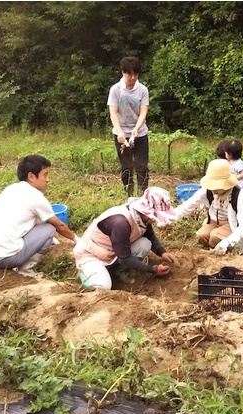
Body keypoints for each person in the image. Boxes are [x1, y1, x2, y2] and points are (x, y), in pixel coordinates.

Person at [0, 155, 77, 277]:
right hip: (5, 258)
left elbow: (30, 220)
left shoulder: (11, 189)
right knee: (50, 227)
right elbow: (60, 225)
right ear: (31, 176)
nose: (48, 179)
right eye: (45, 175)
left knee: (45, 229)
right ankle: (26, 269)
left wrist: (46, 238)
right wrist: (77, 240)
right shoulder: (36, 197)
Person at [73, 187, 177, 290]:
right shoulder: (120, 223)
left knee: (144, 244)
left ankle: (118, 272)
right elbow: (125, 258)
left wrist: (162, 252)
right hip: (92, 255)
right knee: (103, 287)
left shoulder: (141, 218)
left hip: (114, 253)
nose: (155, 220)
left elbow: (149, 235)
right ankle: (84, 276)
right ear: (147, 212)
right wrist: (152, 269)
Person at [172, 159, 243, 255]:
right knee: (201, 235)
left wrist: (226, 242)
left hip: (231, 224)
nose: (213, 189)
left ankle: (226, 251)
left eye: (217, 186)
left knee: (215, 237)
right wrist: (167, 218)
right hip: (214, 221)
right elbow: (187, 206)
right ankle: (214, 250)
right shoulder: (208, 191)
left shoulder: (239, 195)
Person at [107, 56, 150, 197]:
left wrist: (136, 129)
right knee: (126, 166)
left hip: (140, 134)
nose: (133, 77)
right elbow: (113, 112)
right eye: (129, 74)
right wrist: (119, 133)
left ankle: (143, 194)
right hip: (121, 135)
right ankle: (129, 194)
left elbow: (143, 111)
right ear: (123, 72)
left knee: (141, 166)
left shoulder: (143, 90)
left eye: (135, 74)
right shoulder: (115, 90)